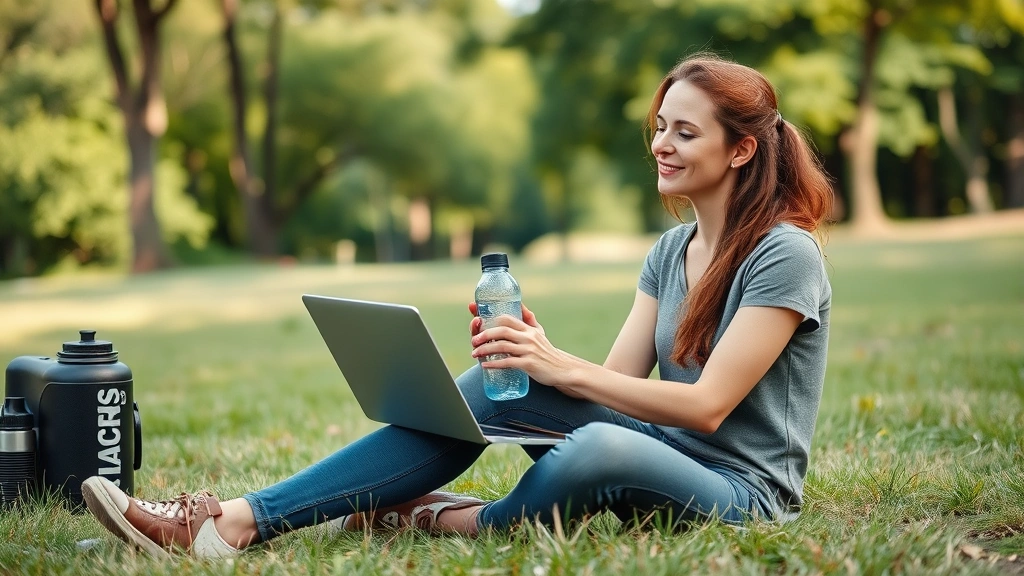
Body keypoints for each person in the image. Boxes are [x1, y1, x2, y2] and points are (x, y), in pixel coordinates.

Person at [81, 53, 834, 559]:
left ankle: (437, 514)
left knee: (597, 449)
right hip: (656, 459)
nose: (662, 145)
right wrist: (537, 362)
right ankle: (235, 524)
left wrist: (562, 369)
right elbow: (615, 389)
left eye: (685, 131)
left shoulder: (784, 253)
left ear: (740, 150)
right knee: (496, 386)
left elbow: (703, 409)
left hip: (741, 495)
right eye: (660, 127)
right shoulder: (669, 254)